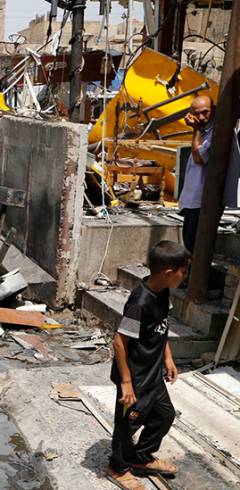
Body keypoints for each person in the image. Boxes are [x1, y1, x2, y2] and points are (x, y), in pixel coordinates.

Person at [106, 240, 186, 489]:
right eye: (184, 272)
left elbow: (160, 328)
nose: (185, 277)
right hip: (136, 378)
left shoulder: (163, 292)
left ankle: (141, 458)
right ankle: (117, 468)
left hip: (154, 375)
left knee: (164, 416)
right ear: (169, 273)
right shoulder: (139, 303)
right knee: (127, 425)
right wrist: (126, 383)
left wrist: (168, 358)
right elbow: (120, 341)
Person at [179, 96, 214, 253]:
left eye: (205, 112)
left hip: (201, 200)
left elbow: (199, 157)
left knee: (193, 244)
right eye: (197, 113)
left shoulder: (214, 133)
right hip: (193, 199)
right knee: (188, 241)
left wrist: (195, 130)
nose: (201, 117)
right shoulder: (204, 132)